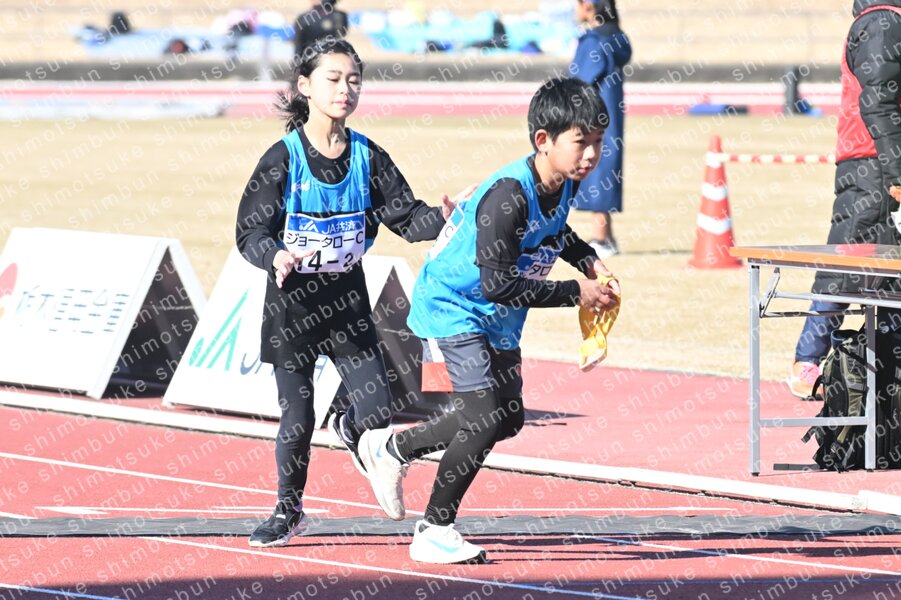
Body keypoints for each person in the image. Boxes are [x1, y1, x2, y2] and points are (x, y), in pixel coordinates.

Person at [356, 77, 621, 564]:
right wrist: (575, 293)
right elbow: (498, 284)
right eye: (581, 142)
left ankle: (390, 450)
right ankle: (434, 529)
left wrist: (588, 260)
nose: (591, 154)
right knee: (482, 418)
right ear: (543, 140)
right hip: (453, 305)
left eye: (599, 142)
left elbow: (556, 232)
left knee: (508, 417)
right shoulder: (508, 196)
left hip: (496, 313)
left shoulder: (564, 181)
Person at [235, 38, 464, 547]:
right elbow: (250, 231)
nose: (346, 89)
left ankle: (349, 428)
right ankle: (288, 510)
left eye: (354, 80)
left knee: (377, 412)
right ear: (305, 86)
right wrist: (274, 255)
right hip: (293, 304)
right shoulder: (282, 159)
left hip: (347, 305)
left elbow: (408, 218)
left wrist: (446, 217)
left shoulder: (368, 156)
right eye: (334, 79)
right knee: (297, 419)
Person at [787, 0, 901, 398]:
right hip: (874, 166)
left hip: (881, 162)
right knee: (848, 261)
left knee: (888, 280)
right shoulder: (882, 23)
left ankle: (882, 379)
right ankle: (808, 361)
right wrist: (897, 172)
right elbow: (878, 103)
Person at [569, 0, 632, 259]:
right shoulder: (617, 37)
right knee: (605, 169)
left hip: (592, 118)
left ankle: (601, 238)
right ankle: (607, 237)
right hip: (611, 119)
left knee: (596, 172)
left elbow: (577, 82)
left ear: (589, 5)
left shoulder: (594, 41)